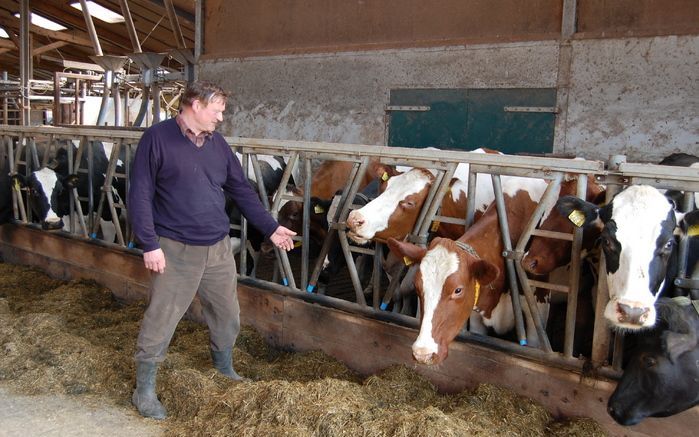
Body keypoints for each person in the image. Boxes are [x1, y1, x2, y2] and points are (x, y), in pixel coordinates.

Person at [127, 81, 296, 419]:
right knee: (162, 317)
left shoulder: (218, 144)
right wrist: (149, 244)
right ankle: (144, 390)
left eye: (222, 109)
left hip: (217, 248)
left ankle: (224, 368)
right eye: (217, 108)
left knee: (227, 314)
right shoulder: (157, 139)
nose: (221, 116)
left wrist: (271, 226)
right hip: (174, 248)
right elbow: (140, 193)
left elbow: (242, 191)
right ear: (193, 105)